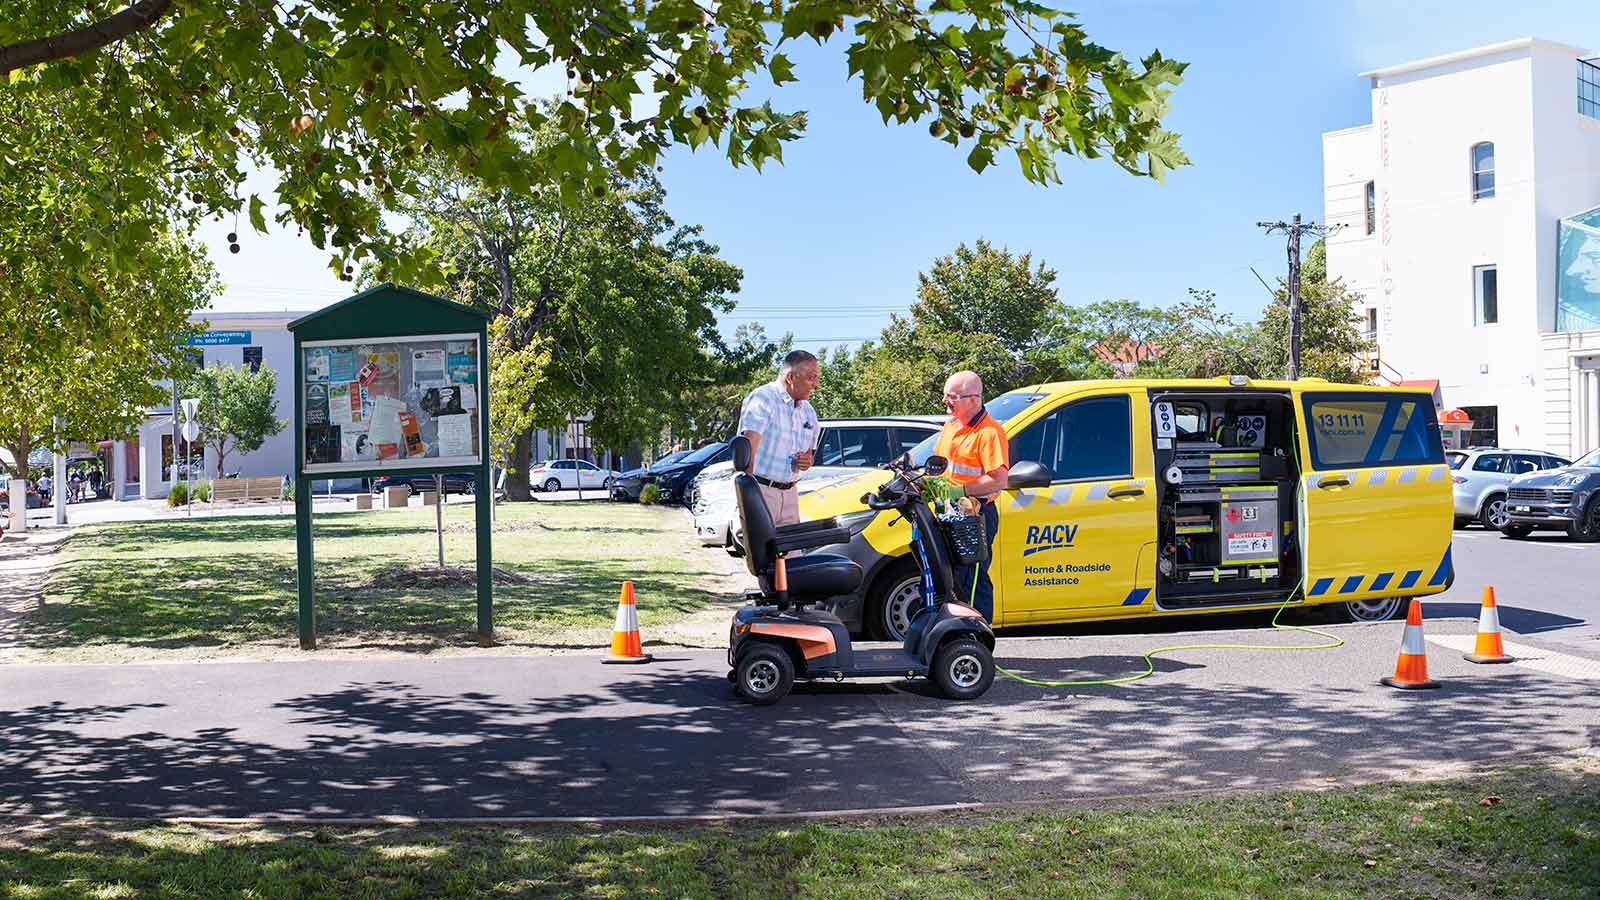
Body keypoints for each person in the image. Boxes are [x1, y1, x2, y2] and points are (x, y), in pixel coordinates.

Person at [932, 370, 1009, 622]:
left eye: (952, 397)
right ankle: (958, 637)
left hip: (976, 516)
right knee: (953, 580)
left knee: (973, 580)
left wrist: (959, 490)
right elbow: (941, 467)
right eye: (945, 396)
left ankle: (979, 639)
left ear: (973, 399)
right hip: (950, 512)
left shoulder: (989, 432)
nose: (946, 402)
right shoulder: (951, 426)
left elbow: (998, 479)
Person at [736, 349, 821, 526]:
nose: (816, 384)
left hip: (790, 494)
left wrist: (806, 461)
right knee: (763, 552)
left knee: (792, 553)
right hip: (761, 491)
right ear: (790, 377)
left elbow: (809, 456)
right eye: (811, 377)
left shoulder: (808, 411)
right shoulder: (764, 398)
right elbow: (748, 445)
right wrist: (749, 497)